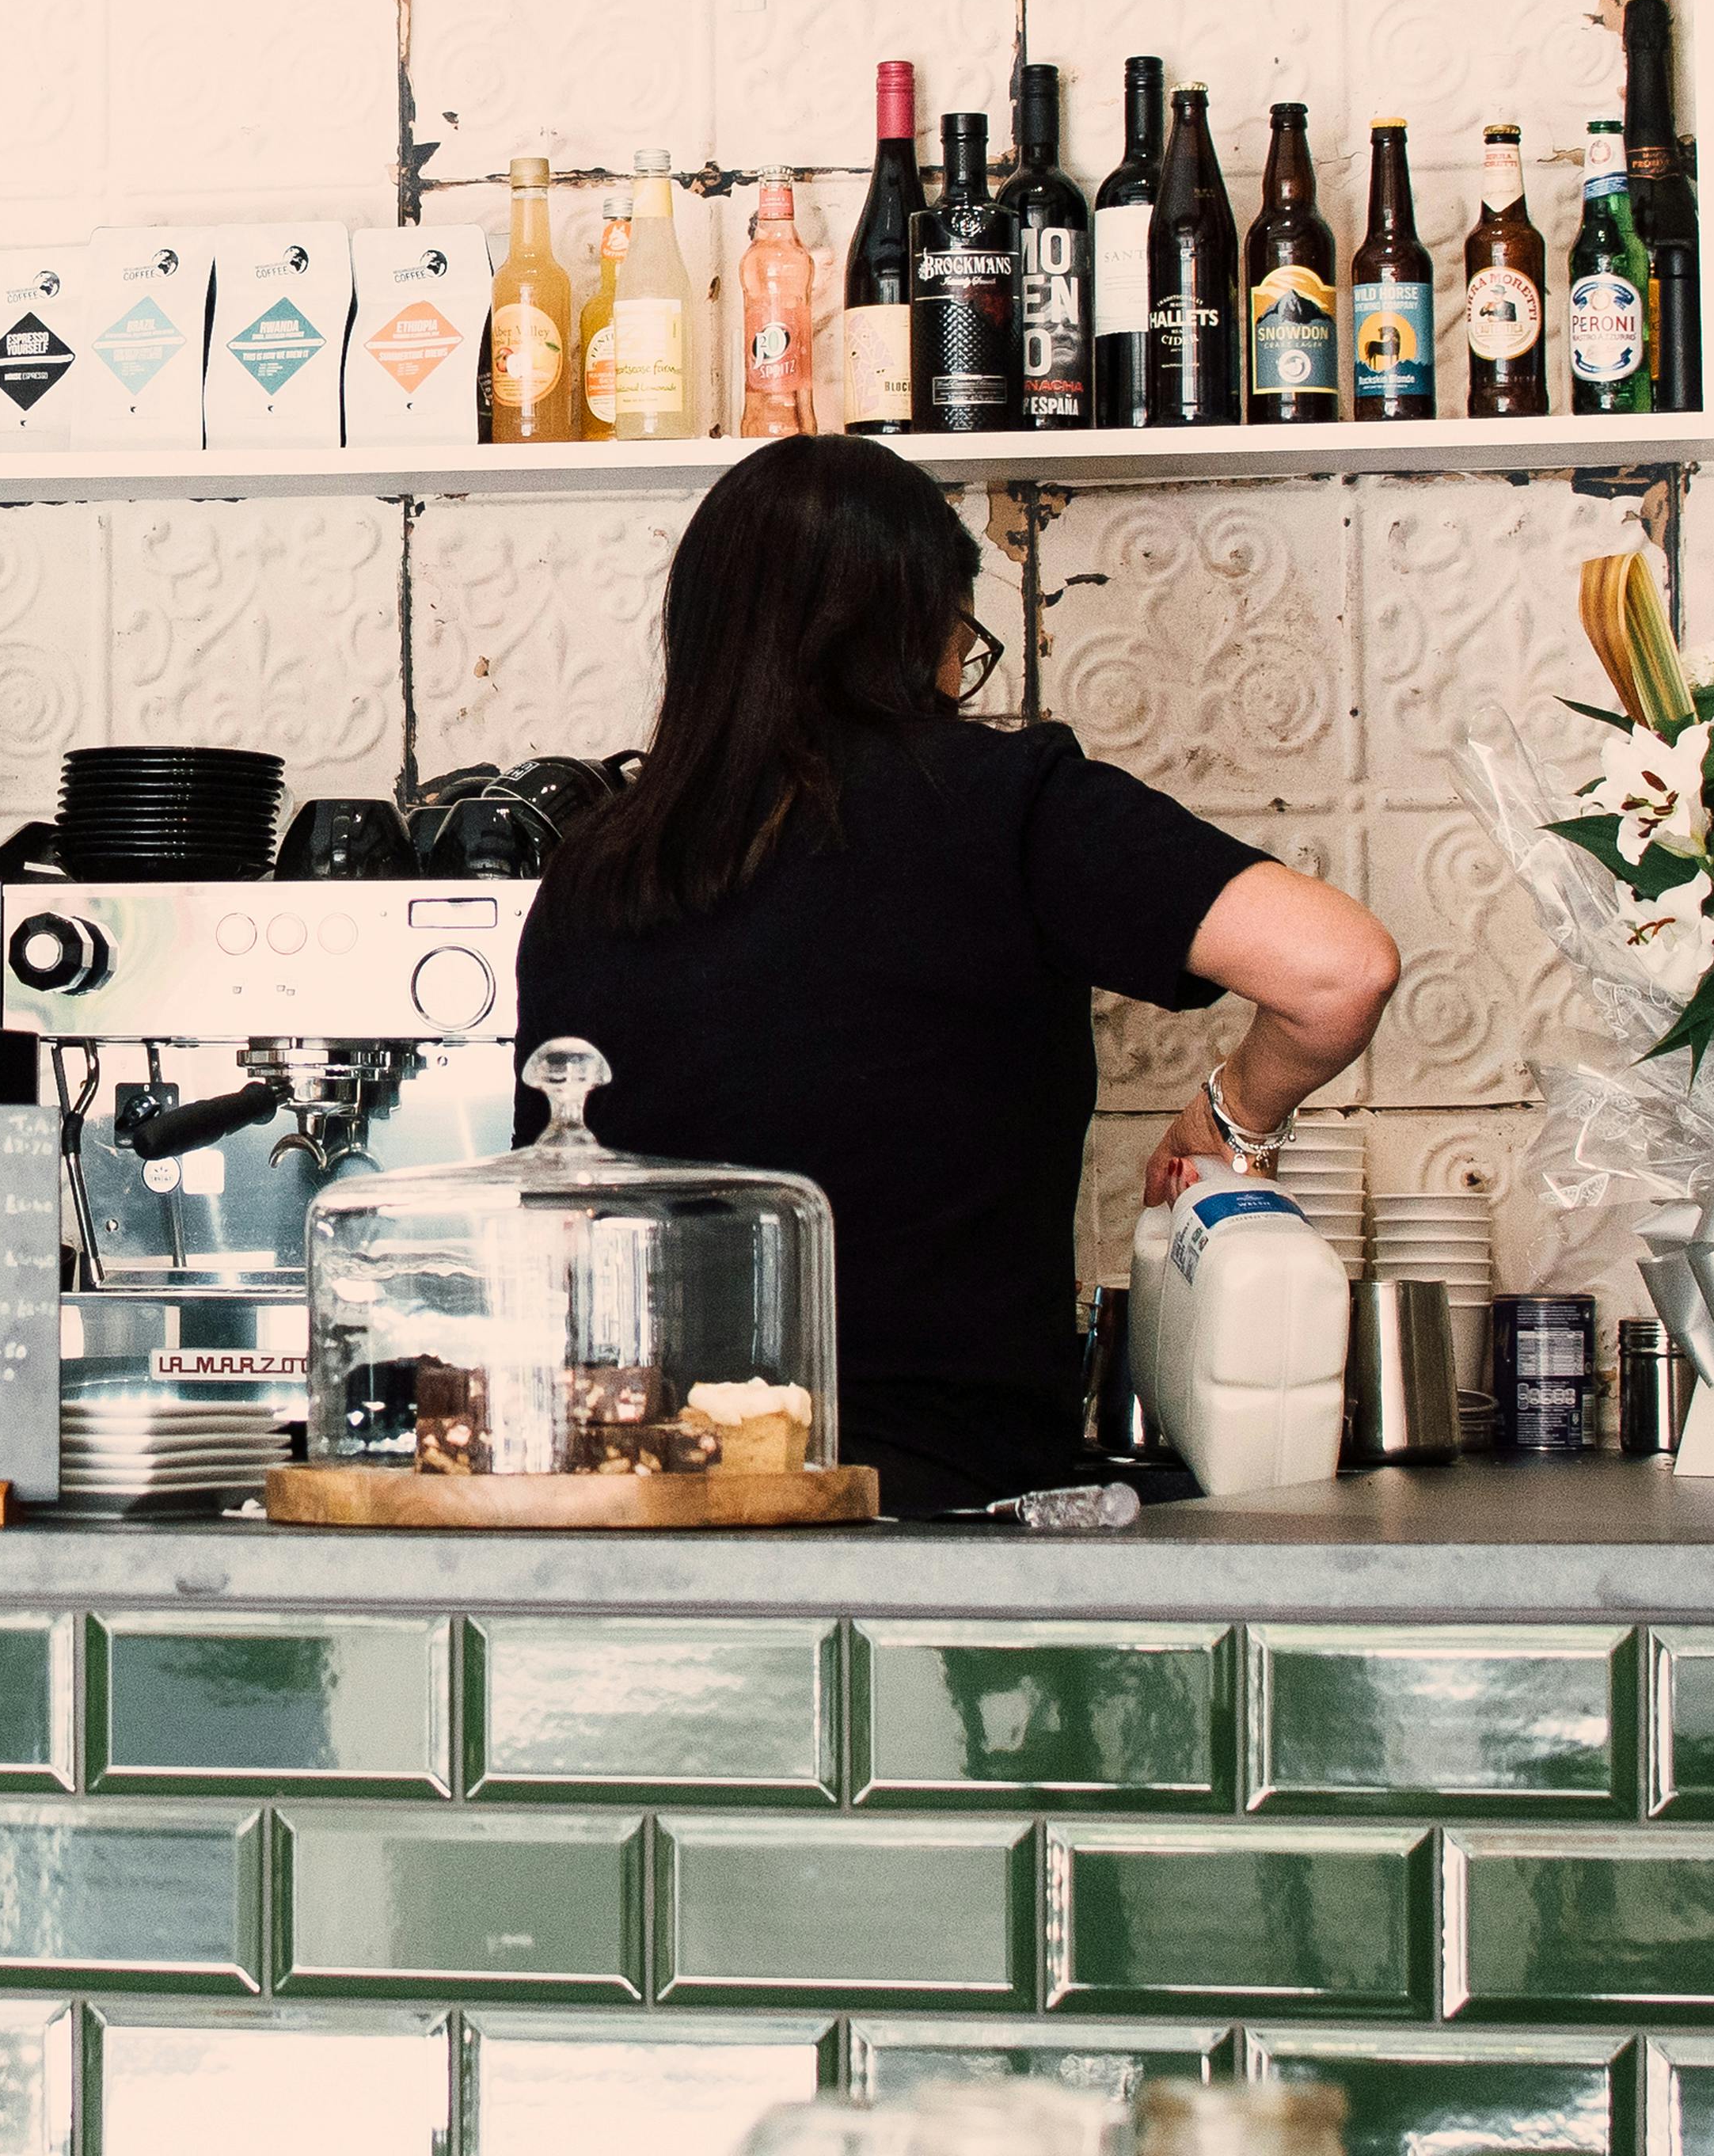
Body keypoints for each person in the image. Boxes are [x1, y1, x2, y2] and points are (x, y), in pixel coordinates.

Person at [513, 434, 1399, 1514]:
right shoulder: (1007, 801)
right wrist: (1232, 1112)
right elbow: (1339, 969)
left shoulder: (596, 867)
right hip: (941, 1508)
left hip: (634, 1504)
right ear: (914, 629)